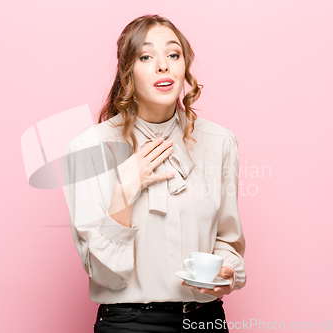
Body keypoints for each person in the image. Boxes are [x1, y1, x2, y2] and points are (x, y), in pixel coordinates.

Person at [64, 14, 246, 333]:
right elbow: (105, 274)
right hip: (130, 324)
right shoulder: (88, 149)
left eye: (173, 54)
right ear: (127, 71)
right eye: (146, 56)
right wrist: (125, 189)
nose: (163, 66)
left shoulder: (219, 142)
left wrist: (226, 270)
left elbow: (227, 239)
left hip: (205, 321)